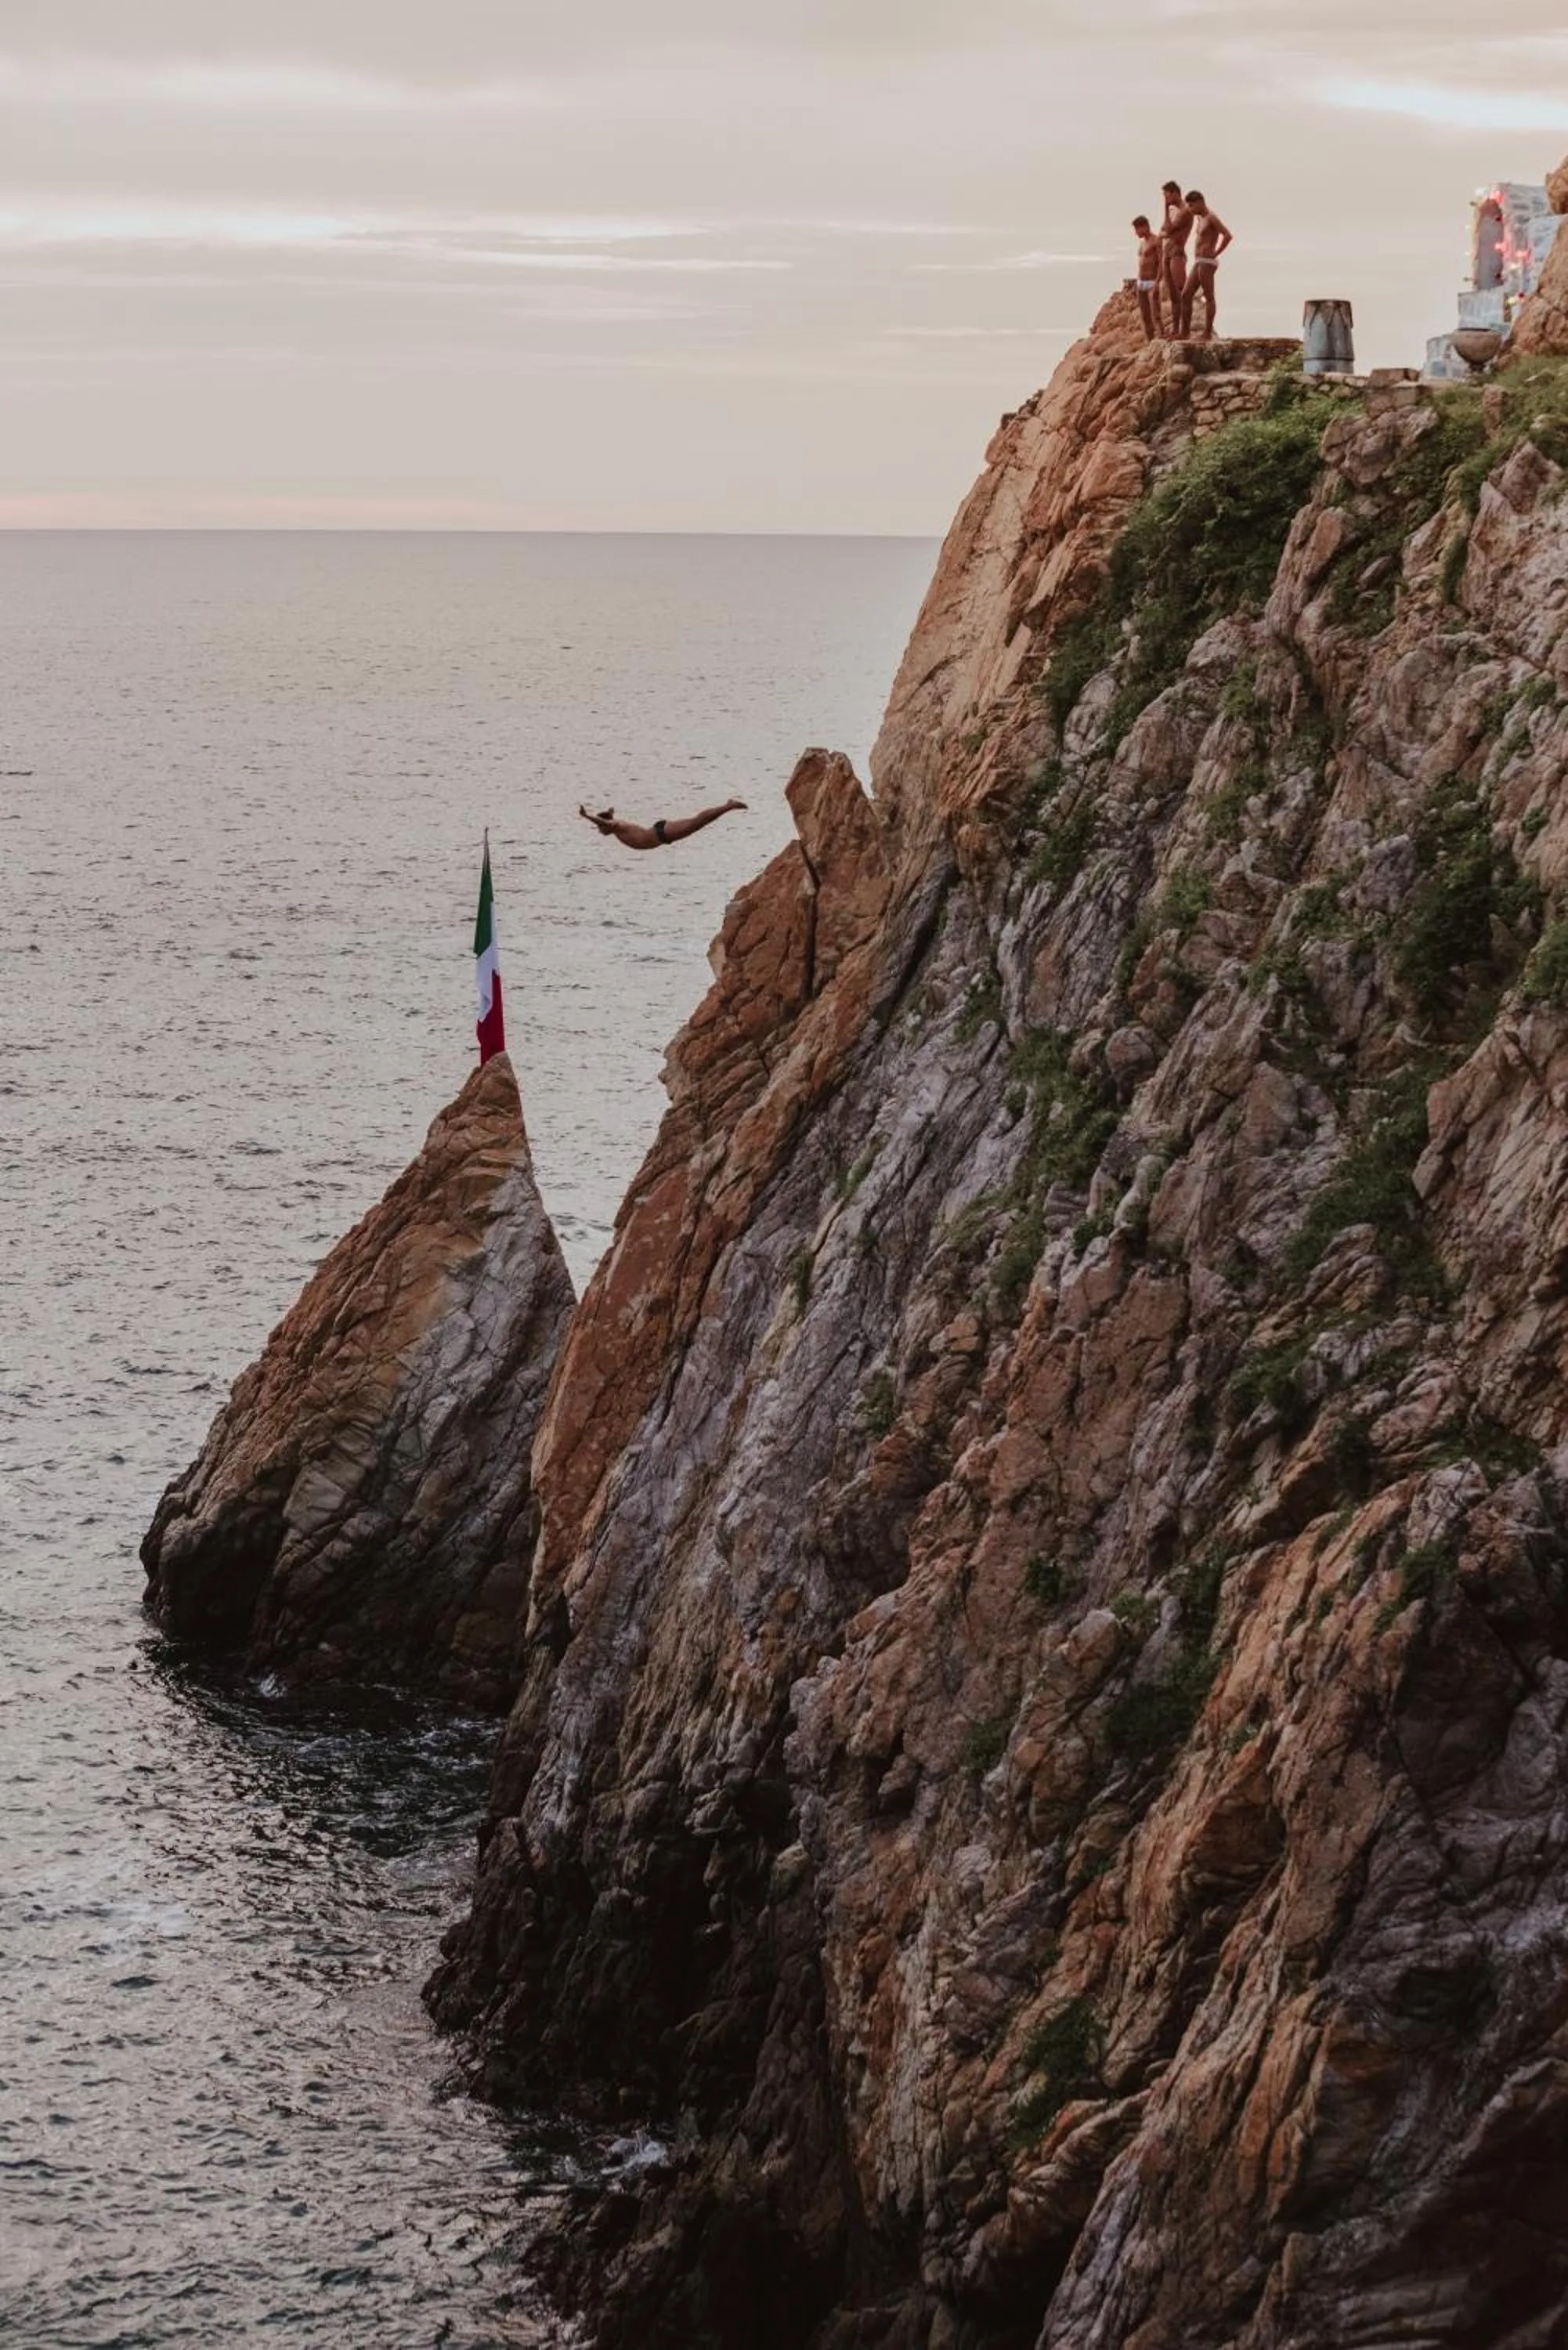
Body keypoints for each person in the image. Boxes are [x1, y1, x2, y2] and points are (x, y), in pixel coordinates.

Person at [579, 797, 746, 851]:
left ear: (604, 824)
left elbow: (605, 822)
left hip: (660, 834)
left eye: (600, 828)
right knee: (696, 823)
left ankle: (728, 806)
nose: (599, 832)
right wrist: (609, 813)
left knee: (697, 823)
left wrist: (587, 816)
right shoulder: (614, 825)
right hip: (661, 834)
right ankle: (727, 806)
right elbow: (608, 820)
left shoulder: (615, 826)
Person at [1182, 193, 1233, 339]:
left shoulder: (1211, 217)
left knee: (1209, 297)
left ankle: (1207, 332)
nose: (1190, 209)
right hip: (1199, 261)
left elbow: (1227, 235)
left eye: (1191, 205)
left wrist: (1216, 252)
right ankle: (1185, 332)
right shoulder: (1200, 219)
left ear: (1200, 202)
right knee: (1186, 295)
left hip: (1207, 262)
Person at [1160, 182, 1193, 341]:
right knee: (1173, 295)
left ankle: (1185, 330)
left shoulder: (1185, 210)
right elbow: (1164, 230)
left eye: (1167, 195)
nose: (1165, 199)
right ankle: (1175, 329)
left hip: (1177, 252)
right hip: (1168, 252)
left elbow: (1169, 230)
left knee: (1182, 291)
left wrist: (1165, 209)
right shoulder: (1176, 211)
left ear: (1175, 193)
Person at [1132, 215, 1165, 341]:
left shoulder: (1156, 241)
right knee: (1145, 316)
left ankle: (1161, 338)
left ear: (1145, 226)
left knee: (1156, 314)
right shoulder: (1142, 244)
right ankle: (1150, 342)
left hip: (1152, 282)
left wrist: (1157, 282)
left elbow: (1161, 262)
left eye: (1137, 230)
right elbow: (1141, 263)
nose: (1136, 233)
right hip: (1141, 282)